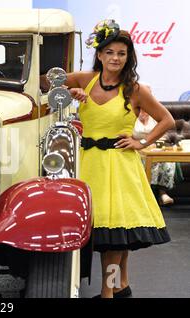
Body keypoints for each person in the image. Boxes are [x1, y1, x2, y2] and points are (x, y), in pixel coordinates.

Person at [65, 20, 175, 298]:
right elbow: (46, 84)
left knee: (114, 236)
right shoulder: (83, 79)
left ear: (129, 58)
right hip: (89, 165)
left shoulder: (134, 90)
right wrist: (69, 93)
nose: (116, 58)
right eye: (110, 52)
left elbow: (167, 120)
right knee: (113, 235)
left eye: (122, 54)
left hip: (120, 167)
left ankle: (108, 292)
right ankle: (121, 285)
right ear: (100, 54)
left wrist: (142, 142)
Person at [133, 108, 177, 205]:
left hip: (154, 148)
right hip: (138, 149)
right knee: (151, 161)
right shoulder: (132, 116)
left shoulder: (155, 116)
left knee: (166, 160)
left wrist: (157, 145)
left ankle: (163, 193)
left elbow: (163, 135)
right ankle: (148, 194)